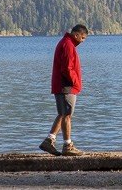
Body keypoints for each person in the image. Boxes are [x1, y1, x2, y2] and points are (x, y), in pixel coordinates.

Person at [39, 24, 88, 156]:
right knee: (67, 115)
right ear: (76, 34)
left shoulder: (66, 43)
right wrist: (76, 82)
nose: (83, 41)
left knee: (62, 114)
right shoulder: (68, 45)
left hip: (62, 85)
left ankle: (49, 140)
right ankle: (67, 145)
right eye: (82, 38)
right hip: (66, 86)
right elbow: (67, 68)